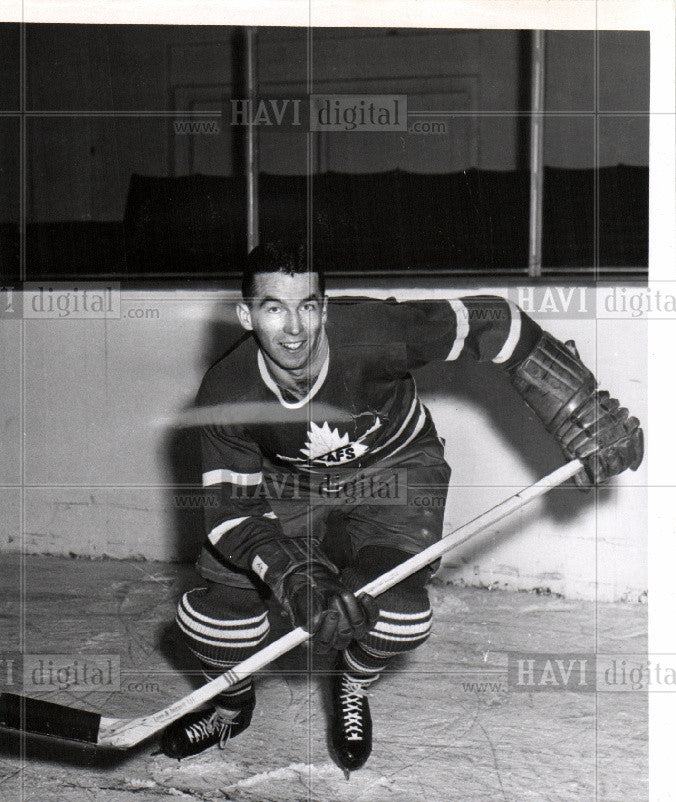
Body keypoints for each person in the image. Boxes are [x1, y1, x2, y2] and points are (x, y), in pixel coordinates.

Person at [160, 242, 643, 772]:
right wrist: (292, 573)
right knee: (212, 619)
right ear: (245, 313)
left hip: (395, 472)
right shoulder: (225, 390)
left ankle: (352, 684)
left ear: (325, 305)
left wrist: (581, 408)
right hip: (290, 489)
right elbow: (232, 514)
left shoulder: (374, 332)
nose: (295, 328)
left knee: (397, 617)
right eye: (274, 307)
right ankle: (230, 707)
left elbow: (497, 322)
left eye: (309, 305)